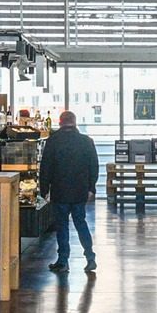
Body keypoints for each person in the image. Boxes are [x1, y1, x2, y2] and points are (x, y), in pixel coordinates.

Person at [40, 109, 101, 276]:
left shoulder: (53, 141)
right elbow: (94, 166)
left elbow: (45, 167)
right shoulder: (86, 141)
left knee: (62, 227)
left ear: (60, 123)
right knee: (81, 223)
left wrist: (43, 189)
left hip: (60, 191)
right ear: (75, 122)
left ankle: (63, 261)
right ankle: (90, 257)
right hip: (80, 191)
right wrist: (91, 188)